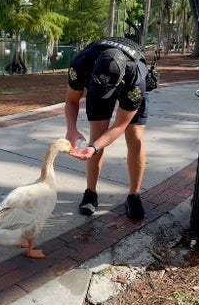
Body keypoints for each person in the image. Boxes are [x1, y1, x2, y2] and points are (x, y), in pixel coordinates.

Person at [64, 37, 151, 221]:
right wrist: (71, 129)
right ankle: (90, 193)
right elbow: (71, 101)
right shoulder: (81, 64)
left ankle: (134, 196)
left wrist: (94, 148)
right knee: (97, 134)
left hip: (129, 83)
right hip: (99, 74)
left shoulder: (136, 80)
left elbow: (120, 125)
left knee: (135, 137)